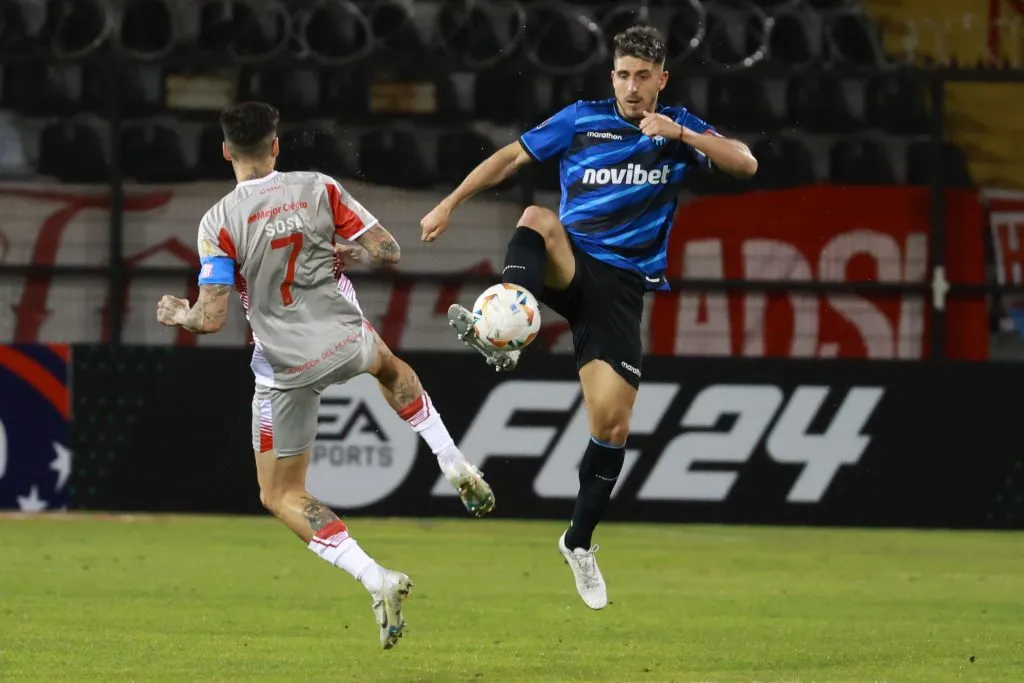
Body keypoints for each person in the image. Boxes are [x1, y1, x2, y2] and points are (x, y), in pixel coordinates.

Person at [420, 26, 757, 610]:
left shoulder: (677, 129)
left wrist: (680, 133)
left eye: (643, 77)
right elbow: (509, 158)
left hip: (621, 293)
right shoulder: (581, 119)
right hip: (571, 265)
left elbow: (746, 164)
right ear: (612, 76)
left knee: (611, 428)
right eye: (623, 75)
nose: (632, 87)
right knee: (537, 216)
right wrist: (450, 203)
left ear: (662, 80)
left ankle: (577, 542)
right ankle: (505, 319)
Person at [155, 101, 495, 649]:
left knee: (280, 493)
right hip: (345, 337)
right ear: (276, 145)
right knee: (391, 367)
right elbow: (388, 249)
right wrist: (348, 251)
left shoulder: (217, 222)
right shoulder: (318, 187)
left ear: (225, 151)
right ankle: (451, 459)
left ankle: (374, 577)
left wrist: (180, 314)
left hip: (284, 368)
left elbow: (211, 318)